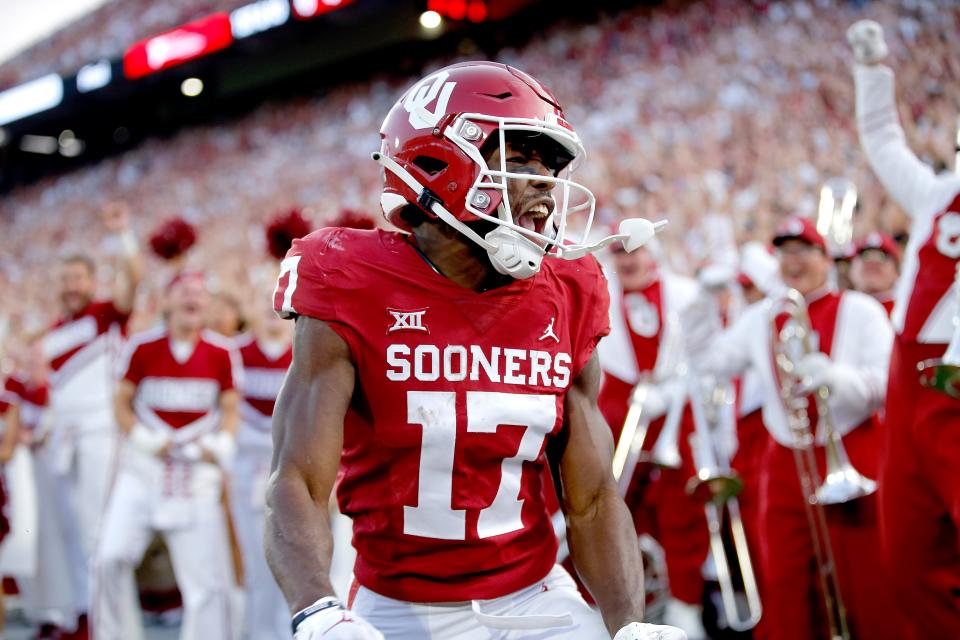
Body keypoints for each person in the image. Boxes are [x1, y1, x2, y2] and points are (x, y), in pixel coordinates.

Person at [266, 61, 684, 640]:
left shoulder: (570, 288)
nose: (544, 184)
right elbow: (296, 480)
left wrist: (628, 624)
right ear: (438, 166)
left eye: (550, 166)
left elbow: (590, 497)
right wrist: (317, 610)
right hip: (395, 605)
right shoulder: (349, 278)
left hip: (535, 596)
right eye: (520, 160)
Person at [686, 216, 895, 639]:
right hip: (786, 460)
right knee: (785, 578)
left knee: (862, 578)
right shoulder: (764, 315)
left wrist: (836, 378)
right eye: (784, 252)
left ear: (825, 258)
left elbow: (883, 384)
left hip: (853, 450)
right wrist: (703, 303)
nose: (792, 261)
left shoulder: (862, 310)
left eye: (803, 250)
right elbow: (709, 360)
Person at [848, 19, 960, 637]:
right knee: (908, 561)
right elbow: (884, 141)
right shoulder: (938, 192)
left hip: (954, 380)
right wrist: (872, 73)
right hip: (910, 383)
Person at [93, 272, 241, 640]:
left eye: (199, 293)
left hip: (194, 475)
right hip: (143, 470)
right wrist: (142, 437)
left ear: (206, 304)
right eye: (184, 292)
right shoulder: (142, 346)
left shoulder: (222, 352)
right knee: (109, 558)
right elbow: (121, 402)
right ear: (167, 300)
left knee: (205, 579)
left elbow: (231, 410)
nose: (193, 299)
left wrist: (222, 443)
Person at [595, 240, 710, 638]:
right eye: (620, 254)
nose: (628, 261)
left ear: (653, 254)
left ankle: (685, 605)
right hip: (618, 415)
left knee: (683, 511)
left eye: (636, 252)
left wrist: (670, 392)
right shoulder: (599, 293)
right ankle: (611, 608)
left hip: (675, 418)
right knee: (611, 510)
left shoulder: (686, 294)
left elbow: (706, 356)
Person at [38, 201, 143, 637]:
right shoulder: (50, 331)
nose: (71, 286)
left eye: (77, 277)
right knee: (74, 533)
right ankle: (84, 614)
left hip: (102, 434)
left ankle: (109, 626)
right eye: (64, 279)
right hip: (65, 441)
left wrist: (123, 235)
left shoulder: (104, 313)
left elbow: (132, 281)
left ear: (91, 280)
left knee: (100, 533)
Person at [233, 293, 293, 640]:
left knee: (293, 566)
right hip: (245, 471)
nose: (272, 309)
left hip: (293, 469)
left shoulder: (307, 347)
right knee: (255, 566)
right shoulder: (233, 352)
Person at [848, 231, 900, 315]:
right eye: (865, 255)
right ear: (851, 269)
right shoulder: (838, 311)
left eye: (881, 256)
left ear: (897, 272)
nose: (872, 262)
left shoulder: (904, 314)